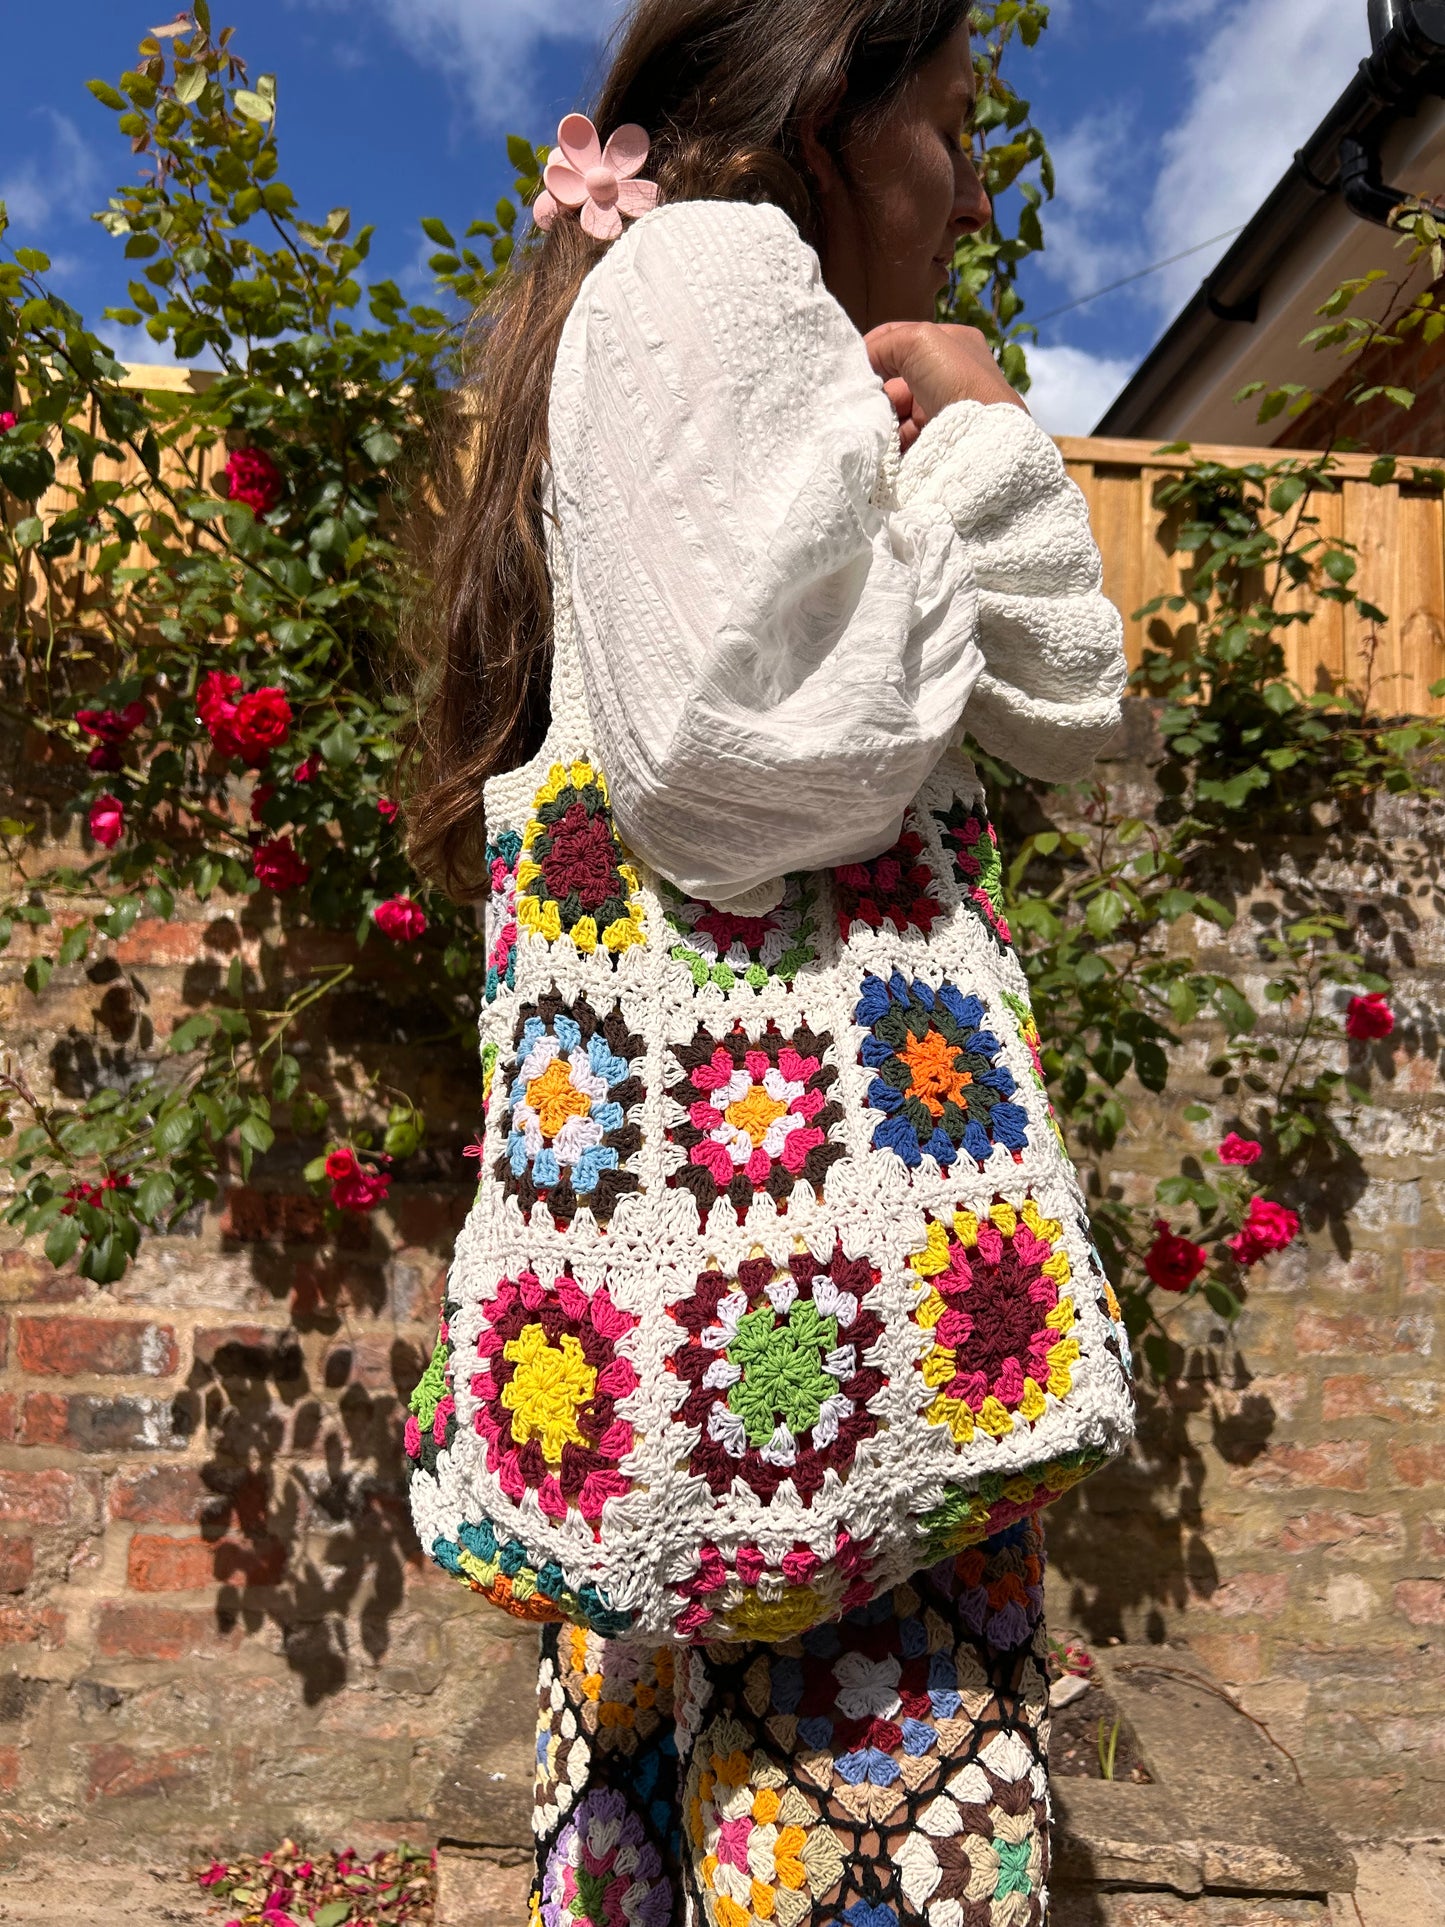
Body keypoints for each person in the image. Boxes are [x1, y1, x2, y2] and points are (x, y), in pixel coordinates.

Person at [408, 3, 1127, 1922]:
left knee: (672, 1855)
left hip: (708, 1345)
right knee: (873, 1856)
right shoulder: (717, 276)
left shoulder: (716, 322)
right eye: (951, 127)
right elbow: (739, 762)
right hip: (814, 1349)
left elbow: (1070, 700)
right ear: (833, 116)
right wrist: (977, 433)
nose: (967, 186)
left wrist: (960, 426)